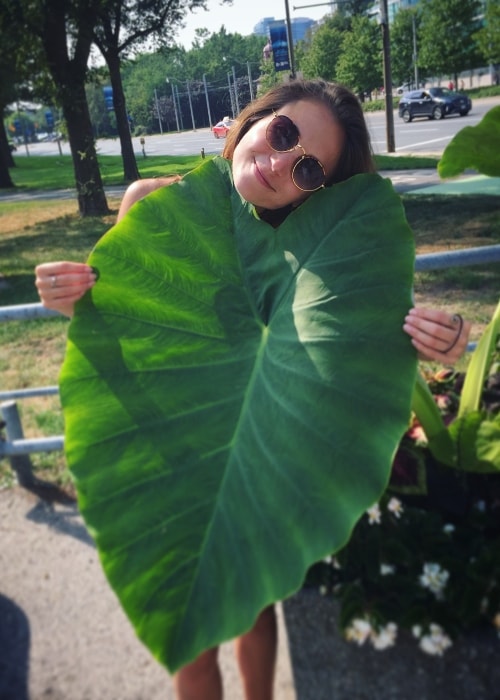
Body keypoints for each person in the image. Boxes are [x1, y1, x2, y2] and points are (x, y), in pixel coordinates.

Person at [35, 79, 470, 700]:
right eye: (283, 132)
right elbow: (139, 316)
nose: (280, 163)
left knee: (254, 605)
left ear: (318, 190)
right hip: (172, 436)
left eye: (309, 169)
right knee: (190, 627)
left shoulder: (315, 251)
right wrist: (72, 299)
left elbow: (360, 324)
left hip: (261, 446)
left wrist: (442, 337)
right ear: (258, 116)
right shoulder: (155, 200)